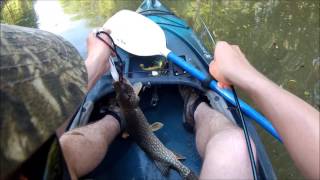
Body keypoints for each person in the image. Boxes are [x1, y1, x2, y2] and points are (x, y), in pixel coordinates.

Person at [59, 30, 319, 180]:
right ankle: (196, 108)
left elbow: (37, 139)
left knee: (61, 151)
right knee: (235, 145)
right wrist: (244, 73)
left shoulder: (25, 162)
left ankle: (116, 119)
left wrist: (94, 63)